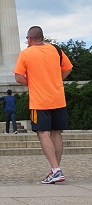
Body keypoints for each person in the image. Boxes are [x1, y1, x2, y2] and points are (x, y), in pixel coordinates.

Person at [14, 26, 73, 184]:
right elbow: (68, 69)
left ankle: (55, 170)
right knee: (56, 133)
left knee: (43, 133)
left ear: (30, 39)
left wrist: (34, 83)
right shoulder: (56, 50)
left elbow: (19, 78)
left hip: (39, 101)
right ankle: (56, 169)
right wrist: (55, 80)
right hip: (58, 98)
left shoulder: (26, 53)